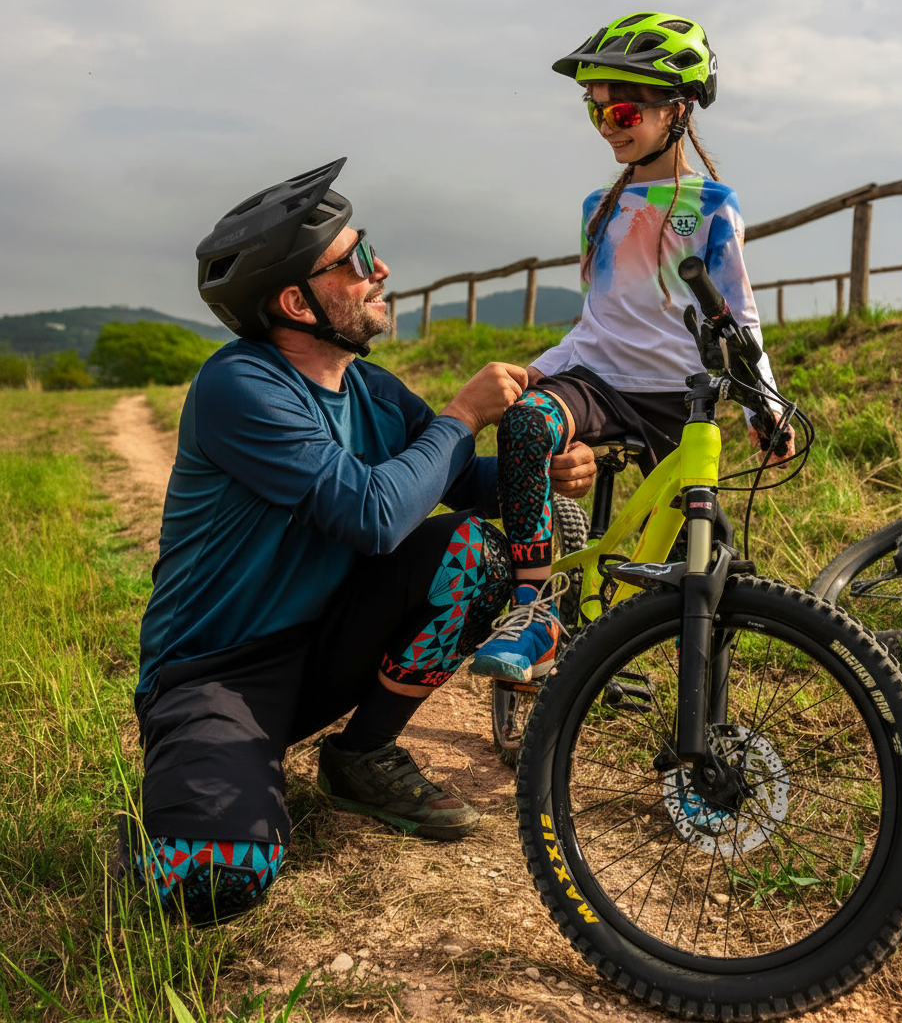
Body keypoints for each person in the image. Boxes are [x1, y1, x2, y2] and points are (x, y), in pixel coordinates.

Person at [124, 158, 595, 925]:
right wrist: (460, 415)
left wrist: (538, 468)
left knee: (474, 550)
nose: (381, 270)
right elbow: (375, 514)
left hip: (329, 643)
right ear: (293, 300)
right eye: (354, 261)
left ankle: (359, 755)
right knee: (210, 885)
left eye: (367, 248)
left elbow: (453, 483)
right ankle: (205, 788)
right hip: (217, 673)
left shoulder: (372, 391)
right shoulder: (242, 387)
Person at [469, 12, 794, 686]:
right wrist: (541, 369)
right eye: (597, 115)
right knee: (526, 422)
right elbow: (599, 322)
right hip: (599, 384)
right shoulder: (601, 206)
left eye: (622, 109)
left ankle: (702, 714)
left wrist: (762, 405)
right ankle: (537, 616)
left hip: (681, 400)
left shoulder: (712, 204)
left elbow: (739, 313)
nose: (610, 126)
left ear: (678, 110)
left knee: (708, 568)